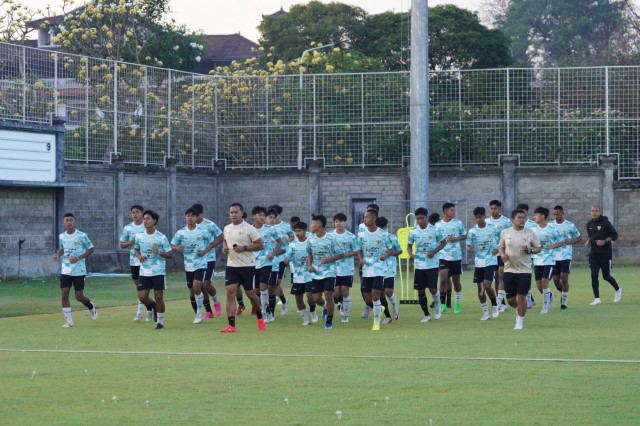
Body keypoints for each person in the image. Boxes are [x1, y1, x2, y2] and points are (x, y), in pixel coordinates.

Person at [221, 203, 265, 333]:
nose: (233, 214)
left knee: (251, 294)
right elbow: (225, 240)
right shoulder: (227, 228)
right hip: (231, 265)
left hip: (247, 266)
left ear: (241, 213)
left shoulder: (249, 229)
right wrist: (224, 247)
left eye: (236, 212)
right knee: (230, 292)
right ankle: (231, 325)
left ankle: (259, 315)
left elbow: (260, 245)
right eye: (231, 212)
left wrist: (244, 248)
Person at [171, 207, 217, 324]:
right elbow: (171, 245)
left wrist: (205, 251)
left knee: (197, 286)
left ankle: (199, 313)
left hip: (201, 263)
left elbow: (212, 243)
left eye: (192, 216)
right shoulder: (181, 232)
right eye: (188, 215)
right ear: (185, 217)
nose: (190, 218)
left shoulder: (203, 231)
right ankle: (198, 310)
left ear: (196, 218)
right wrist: (177, 248)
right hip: (188, 265)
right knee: (192, 289)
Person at [52, 213, 97, 328]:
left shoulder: (81, 235)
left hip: (79, 270)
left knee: (79, 296)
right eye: (66, 220)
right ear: (63, 223)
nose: (69, 222)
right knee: (64, 293)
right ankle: (69, 322)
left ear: (74, 222)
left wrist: (78, 258)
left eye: (71, 220)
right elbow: (62, 249)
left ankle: (90, 306)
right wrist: (57, 255)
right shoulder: (62, 236)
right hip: (65, 270)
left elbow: (91, 249)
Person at [498, 209, 541, 330]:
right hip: (509, 270)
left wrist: (531, 251)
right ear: (513, 219)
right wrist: (502, 255)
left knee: (521, 297)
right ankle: (518, 309)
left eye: (524, 218)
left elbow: (538, 248)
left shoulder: (530, 233)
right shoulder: (505, 232)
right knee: (511, 300)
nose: (522, 220)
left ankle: (520, 322)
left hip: (524, 270)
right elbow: (501, 247)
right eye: (519, 218)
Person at [133, 210, 174, 330]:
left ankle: (160, 322)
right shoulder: (139, 236)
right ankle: (152, 306)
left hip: (158, 271)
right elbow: (136, 249)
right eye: (144, 219)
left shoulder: (161, 237)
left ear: (154, 221)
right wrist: (139, 256)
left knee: (159, 295)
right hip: (144, 271)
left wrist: (159, 252)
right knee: (142, 296)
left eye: (148, 219)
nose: (145, 221)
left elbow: (171, 255)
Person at [407, 207, 447, 323]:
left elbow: (443, 242)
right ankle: (426, 315)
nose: (420, 220)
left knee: (432, 289)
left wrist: (434, 252)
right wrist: (411, 254)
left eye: (422, 218)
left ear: (426, 217)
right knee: (420, 290)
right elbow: (409, 245)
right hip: (419, 264)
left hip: (432, 264)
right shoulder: (413, 232)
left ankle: (437, 306)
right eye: (418, 218)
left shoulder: (435, 230)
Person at [357, 209, 392, 331]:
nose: (364, 220)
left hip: (378, 268)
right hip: (367, 269)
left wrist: (385, 255)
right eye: (364, 217)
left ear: (374, 219)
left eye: (367, 217)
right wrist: (361, 259)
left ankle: (376, 322)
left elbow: (390, 249)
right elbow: (359, 249)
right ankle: (379, 308)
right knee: (367, 297)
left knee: (375, 294)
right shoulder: (361, 235)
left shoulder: (383, 234)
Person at [306, 214, 343, 329]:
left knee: (328, 295)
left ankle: (329, 321)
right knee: (316, 298)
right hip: (316, 272)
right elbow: (309, 253)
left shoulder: (331, 238)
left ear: (319, 224)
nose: (311, 225)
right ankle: (326, 307)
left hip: (330, 271)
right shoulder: (310, 239)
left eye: (313, 223)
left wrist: (328, 260)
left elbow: (340, 254)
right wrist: (310, 265)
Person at [466, 207, 500, 320]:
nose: (478, 220)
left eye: (480, 217)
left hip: (490, 261)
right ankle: (485, 312)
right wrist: (469, 248)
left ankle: (494, 304)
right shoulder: (472, 231)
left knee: (487, 285)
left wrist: (498, 249)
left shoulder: (493, 228)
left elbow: (503, 241)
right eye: (476, 218)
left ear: (484, 217)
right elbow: (468, 245)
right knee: (480, 289)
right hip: (479, 262)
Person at [119, 204, 152, 322]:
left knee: (144, 289)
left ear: (142, 214)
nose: (135, 214)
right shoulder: (128, 228)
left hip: (147, 262)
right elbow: (121, 244)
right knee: (139, 288)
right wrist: (129, 243)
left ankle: (140, 312)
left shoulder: (147, 226)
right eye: (133, 212)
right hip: (134, 261)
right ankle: (149, 308)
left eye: (137, 212)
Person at [585, 205, 623, 305]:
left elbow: (615, 235)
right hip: (593, 254)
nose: (594, 213)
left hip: (605, 253)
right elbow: (591, 235)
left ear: (599, 212)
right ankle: (597, 299)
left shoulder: (606, 223)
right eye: (592, 211)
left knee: (606, 276)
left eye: (596, 211)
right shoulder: (589, 224)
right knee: (593, 275)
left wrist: (604, 241)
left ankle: (618, 289)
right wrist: (588, 240)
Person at [191, 203, 224, 318]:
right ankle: (208, 311)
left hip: (209, 258)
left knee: (206, 284)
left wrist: (211, 246)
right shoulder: (191, 225)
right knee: (198, 286)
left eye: (196, 215)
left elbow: (221, 236)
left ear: (200, 214)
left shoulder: (209, 224)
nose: (193, 218)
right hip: (195, 260)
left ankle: (216, 301)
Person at [531, 206, 564, 314]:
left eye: (535, 215)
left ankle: (545, 307)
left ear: (542, 216)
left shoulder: (552, 229)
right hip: (537, 260)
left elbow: (561, 242)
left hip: (549, 260)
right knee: (539, 287)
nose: (534, 217)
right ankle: (551, 296)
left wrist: (553, 246)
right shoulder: (533, 230)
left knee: (545, 282)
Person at [252, 206, 282, 323]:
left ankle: (264, 313)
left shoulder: (270, 229)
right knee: (256, 290)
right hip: (253, 262)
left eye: (264, 215)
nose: (262, 217)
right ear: (254, 216)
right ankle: (268, 310)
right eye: (260, 215)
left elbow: (279, 241)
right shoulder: (249, 229)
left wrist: (273, 253)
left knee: (264, 286)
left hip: (266, 261)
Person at [436, 202, 467, 314]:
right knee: (443, 278)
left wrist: (456, 239)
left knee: (456, 281)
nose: (453, 212)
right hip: (443, 255)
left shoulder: (458, 223)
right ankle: (442, 304)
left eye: (454, 210)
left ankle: (458, 303)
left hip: (456, 256)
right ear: (445, 211)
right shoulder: (438, 225)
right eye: (451, 210)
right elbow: (435, 239)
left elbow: (464, 235)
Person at [283, 221, 315, 325]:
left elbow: (316, 255)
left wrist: (311, 261)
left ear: (305, 231)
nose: (297, 233)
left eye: (299, 231)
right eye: (295, 231)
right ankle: (305, 318)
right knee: (298, 298)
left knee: (310, 295)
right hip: (297, 275)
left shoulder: (311, 242)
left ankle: (313, 310)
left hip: (309, 274)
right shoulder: (292, 245)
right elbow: (288, 255)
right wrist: (286, 260)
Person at [551, 205, 582, 309]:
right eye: (554, 214)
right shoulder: (550, 225)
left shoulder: (570, 225)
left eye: (557, 214)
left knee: (564, 276)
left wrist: (571, 241)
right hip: (554, 256)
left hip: (566, 255)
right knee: (556, 280)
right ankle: (565, 292)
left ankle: (564, 302)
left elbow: (579, 237)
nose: (555, 216)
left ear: (562, 213)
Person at [331, 212, 358, 323]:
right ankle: (339, 302)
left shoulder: (351, 236)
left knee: (345, 291)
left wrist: (346, 254)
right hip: (333, 268)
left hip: (347, 268)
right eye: (336, 221)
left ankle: (345, 316)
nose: (338, 223)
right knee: (336, 293)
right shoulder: (330, 236)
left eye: (340, 221)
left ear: (345, 222)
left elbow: (356, 251)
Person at [487, 200, 513, 312]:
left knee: (500, 276)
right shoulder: (486, 221)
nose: (493, 211)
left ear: (499, 209)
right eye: (491, 208)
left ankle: (501, 303)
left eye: (495, 208)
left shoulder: (506, 222)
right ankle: (499, 302)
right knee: (492, 279)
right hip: (490, 255)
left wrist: (500, 248)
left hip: (502, 253)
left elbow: (510, 237)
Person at [267, 205, 292, 315]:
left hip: (281, 258)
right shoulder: (266, 227)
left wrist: (289, 239)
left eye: (274, 216)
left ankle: (271, 307)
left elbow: (293, 237)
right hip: (268, 259)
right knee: (269, 285)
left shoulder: (286, 226)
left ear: (278, 215)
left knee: (276, 284)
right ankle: (283, 300)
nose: (273, 218)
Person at [377, 216, 402, 323]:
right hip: (377, 268)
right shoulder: (373, 237)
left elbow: (400, 251)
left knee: (388, 291)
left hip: (389, 267)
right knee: (380, 293)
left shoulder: (392, 237)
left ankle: (395, 306)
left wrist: (392, 253)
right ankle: (387, 316)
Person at [517, 203, 538, 309]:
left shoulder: (533, 225)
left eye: (523, 211)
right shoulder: (514, 225)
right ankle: (529, 299)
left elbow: (536, 240)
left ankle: (529, 299)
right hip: (518, 256)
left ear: (527, 211)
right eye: (519, 211)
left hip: (530, 255)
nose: (522, 213)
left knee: (526, 277)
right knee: (520, 278)